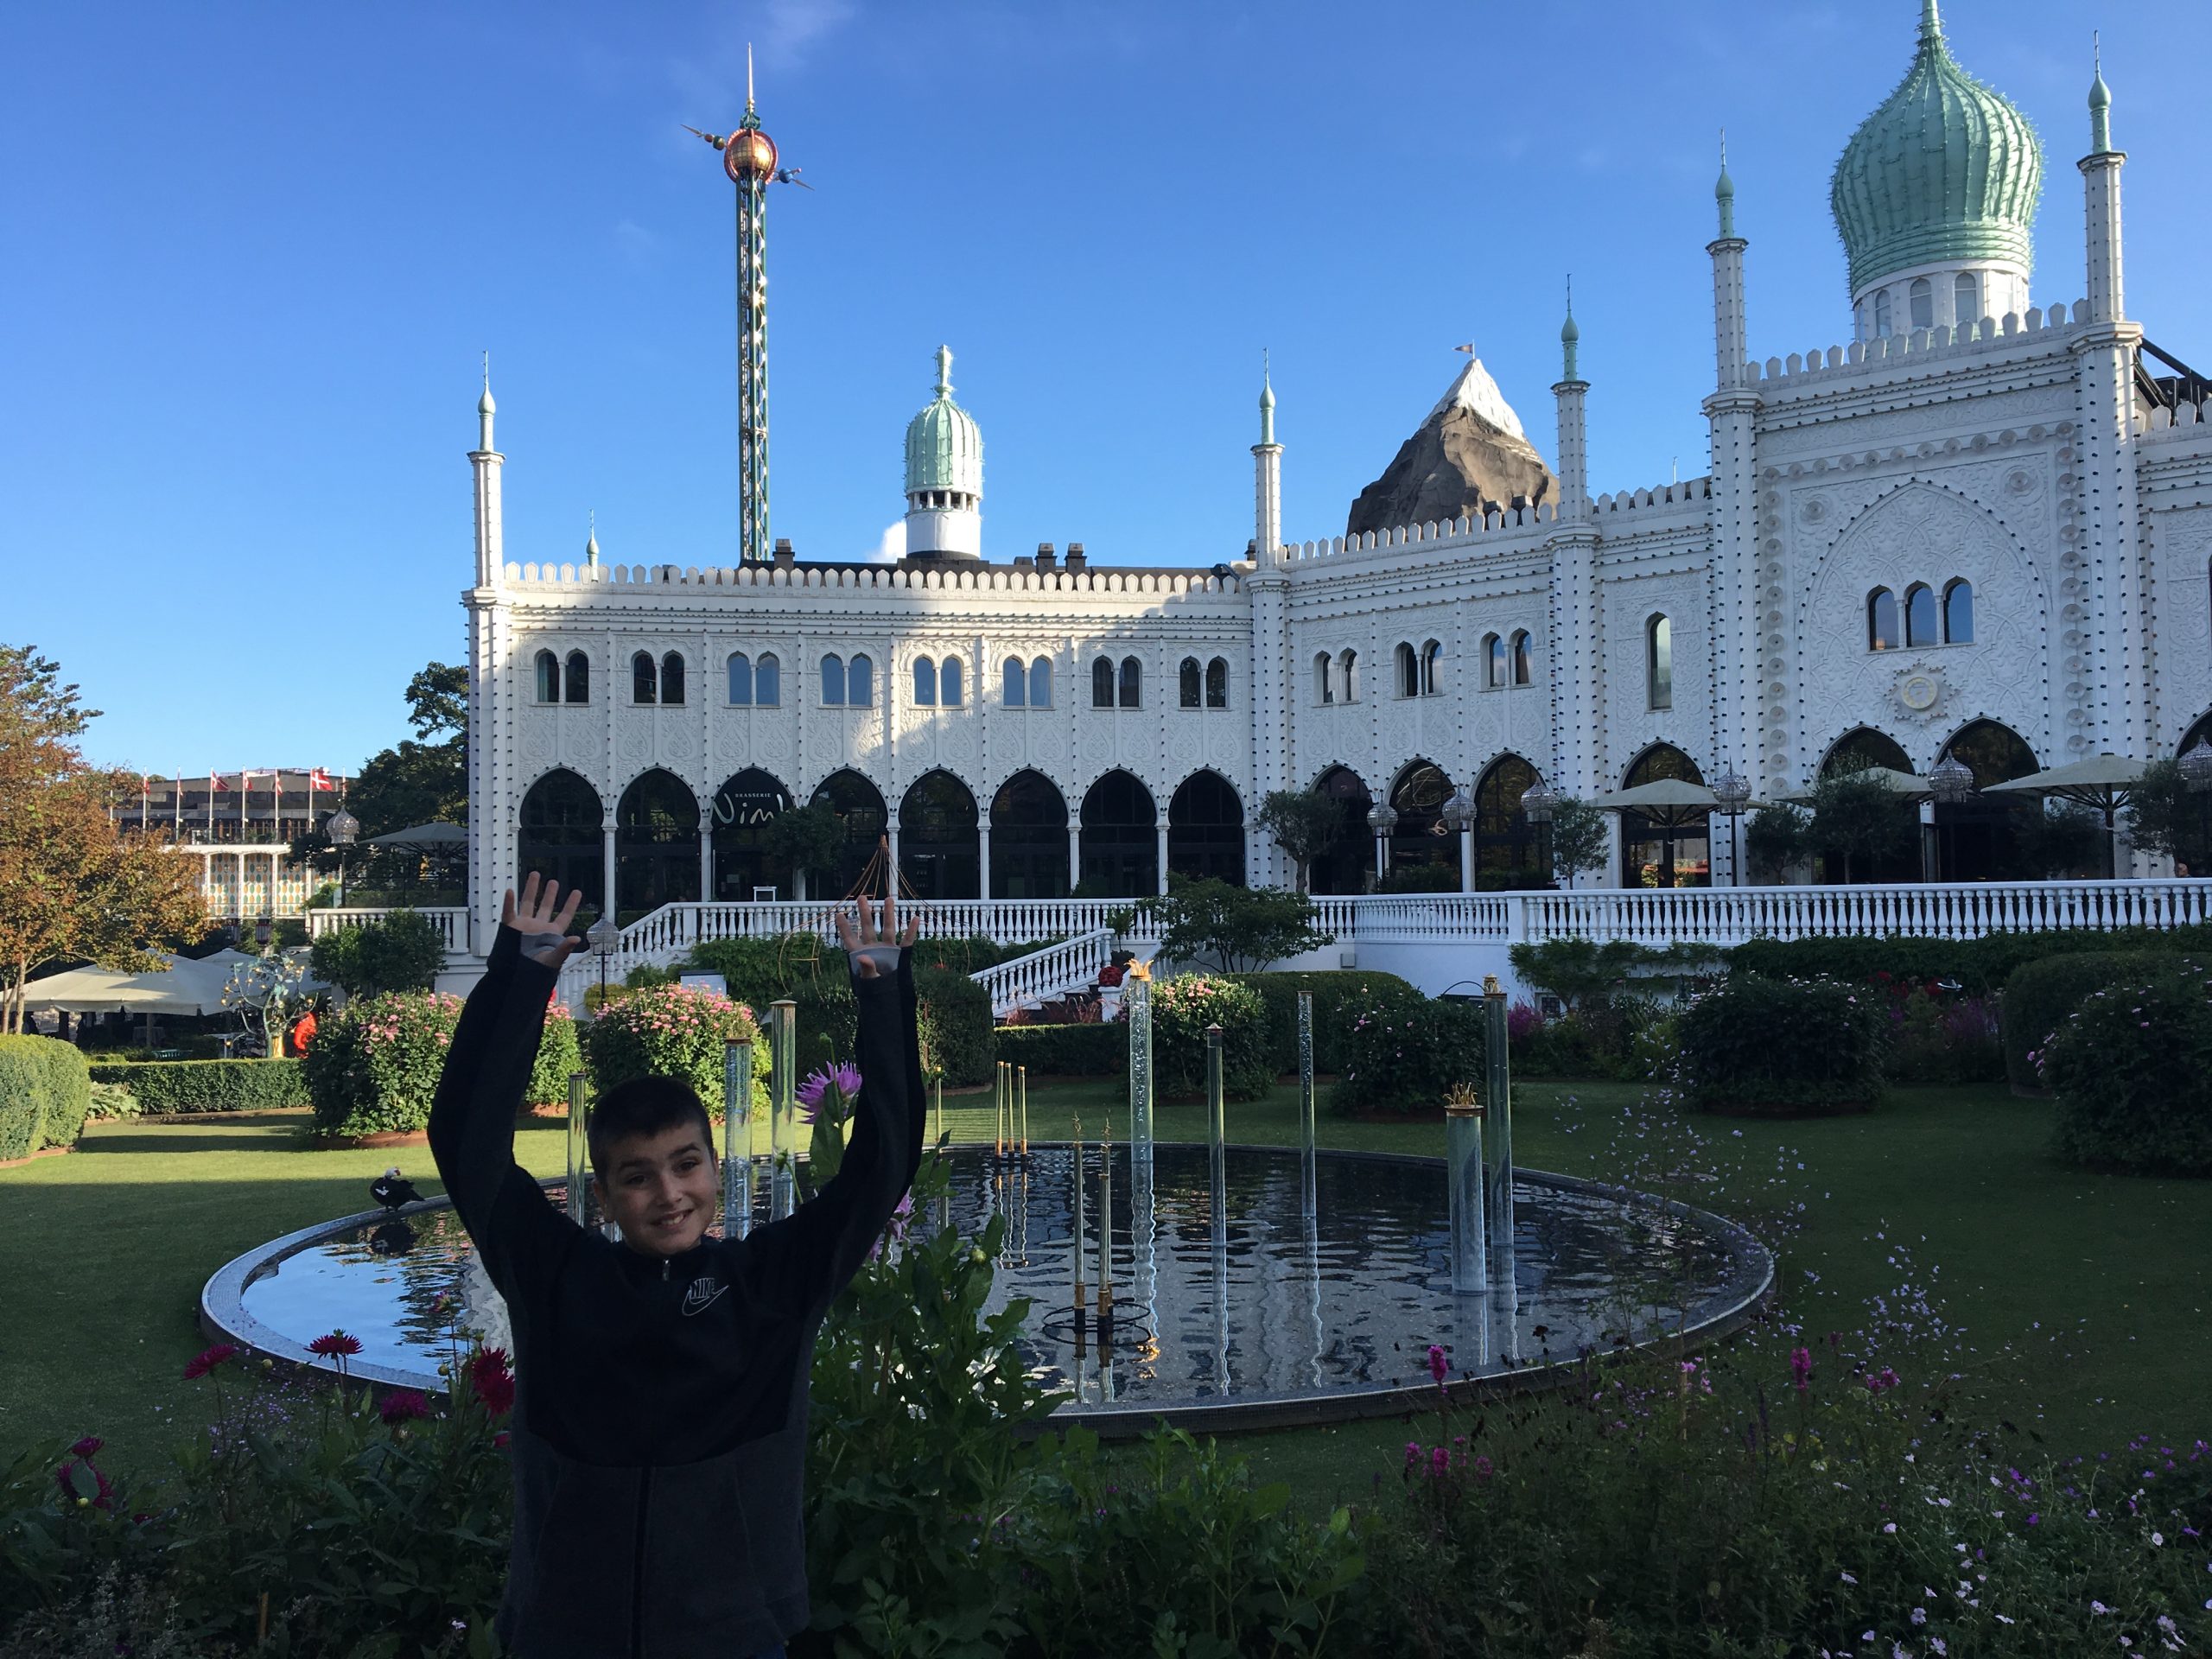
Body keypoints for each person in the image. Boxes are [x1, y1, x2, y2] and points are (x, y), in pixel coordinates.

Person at [428, 874, 923, 1658]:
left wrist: (885, 992)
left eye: (686, 1165)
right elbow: (466, 1144)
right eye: (638, 1176)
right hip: (566, 1634)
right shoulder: (555, 1279)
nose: (668, 1195)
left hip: (739, 1636)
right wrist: (519, 979)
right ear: (602, 1196)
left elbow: (880, 1168)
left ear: (716, 1171)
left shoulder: (772, 1287)